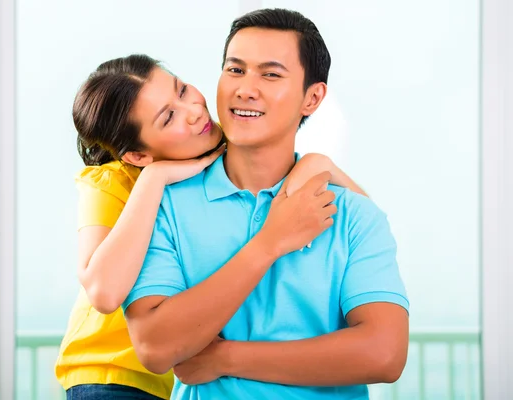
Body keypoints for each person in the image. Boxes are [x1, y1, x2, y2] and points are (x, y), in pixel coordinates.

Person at [122, 8, 409, 400]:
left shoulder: (354, 215)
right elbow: (155, 348)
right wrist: (270, 242)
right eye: (235, 70)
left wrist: (226, 359)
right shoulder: (164, 207)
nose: (245, 89)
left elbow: (385, 354)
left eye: (270, 74)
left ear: (313, 97)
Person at [55, 53, 368, 399]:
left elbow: (366, 226)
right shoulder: (115, 182)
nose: (193, 110)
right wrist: (154, 178)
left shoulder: (226, 162)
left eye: (182, 89)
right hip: (113, 377)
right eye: (169, 116)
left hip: (189, 378)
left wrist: (319, 163)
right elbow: (103, 292)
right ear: (137, 156)